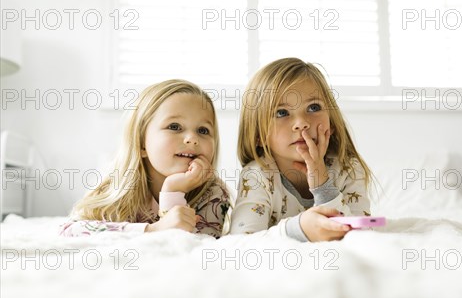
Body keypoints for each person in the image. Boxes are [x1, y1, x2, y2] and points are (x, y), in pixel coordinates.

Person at [60, 79, 231, 237]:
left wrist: (172, 192)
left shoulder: (213, 193)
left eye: (203, 130)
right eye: (174, 126)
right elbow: (69, 231)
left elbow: (191, 248)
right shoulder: (117, 185)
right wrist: (151, 230)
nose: (192, 138)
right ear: (142, 144)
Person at [230, 58, 373, 242]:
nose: (301, 123)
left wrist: (323, 186)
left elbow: (362, 236)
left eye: (313, 107)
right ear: (258, 135)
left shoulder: (348, 168)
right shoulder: (258, 176)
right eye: (281, 113)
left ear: (332, 122)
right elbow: (241, 242)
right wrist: (299, 229)